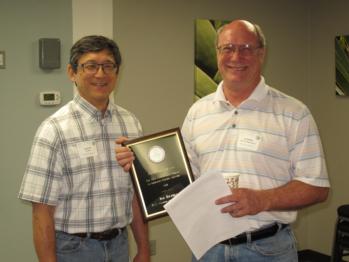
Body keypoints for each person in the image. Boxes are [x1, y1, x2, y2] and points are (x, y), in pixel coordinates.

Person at [117, 20, 331, 261]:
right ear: (218, 53)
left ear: (261, 54)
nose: (236, 56)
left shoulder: (293, 113)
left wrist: (262, 199)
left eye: (246, 48)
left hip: (268, 250)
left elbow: (317, 187)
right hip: (209, 249)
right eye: (227, 48)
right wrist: (139, 161)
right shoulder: (198, 112)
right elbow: (182, 178)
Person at [18, 35, 150, 262]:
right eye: (90, 66)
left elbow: (135, 196)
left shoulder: (131, 124)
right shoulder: (54, 130)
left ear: (117, 72)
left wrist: (144, 249)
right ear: (72, 73)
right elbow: (42, 212)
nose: (100, 74)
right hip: (73, 250)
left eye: (108, 66)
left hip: (119, 246)